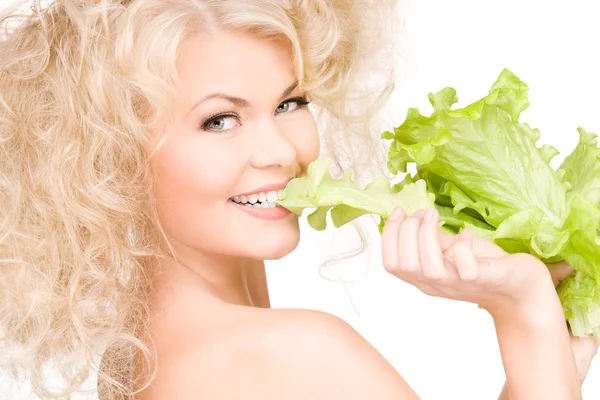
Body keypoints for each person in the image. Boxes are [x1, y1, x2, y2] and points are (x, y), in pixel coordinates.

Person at [0, 0, 597, 399]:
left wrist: (544, 365)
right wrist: (527, 313)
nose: (280, 151)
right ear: (109, 157)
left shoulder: (144, 356)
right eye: (220, 120)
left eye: (290, 103)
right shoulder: (294, 353)